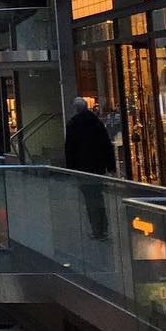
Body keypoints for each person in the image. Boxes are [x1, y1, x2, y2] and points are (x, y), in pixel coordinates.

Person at [65, 96, 115, 239]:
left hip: (83, 167)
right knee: (98, 197)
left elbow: (70, 148)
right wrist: (110, 165)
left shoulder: (73, 124)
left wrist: (70, 169)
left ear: (76, 109)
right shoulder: (97, 123)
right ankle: (104, 228)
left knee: (89, 199)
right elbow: (106, 145)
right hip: (98, 166)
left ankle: (96, 230)